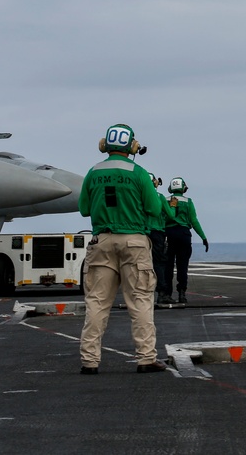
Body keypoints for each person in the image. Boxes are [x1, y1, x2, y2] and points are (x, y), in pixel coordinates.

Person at [78, 123, 167, 374]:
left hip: (101, 241)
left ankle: (89, 361)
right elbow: (154, 208)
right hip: (134, 241)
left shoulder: (93, 172)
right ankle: (146, 358)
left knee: (96, 302)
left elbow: (84, 208)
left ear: (104, 145)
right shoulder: (139, 172)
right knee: (140, 300)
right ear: (132, 146)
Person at [161, 177, 208, 305]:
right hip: (184, 235)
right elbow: (194, 221)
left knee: (167, 267)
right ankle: (182, 294)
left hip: (168, 234)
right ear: (183, 188)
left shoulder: (165, 200)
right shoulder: (188, 201)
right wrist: (203, 237)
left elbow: (161, 219)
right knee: (183, 266)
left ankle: (167, 294)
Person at [146, 173, 174, 306]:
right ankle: (162, 294)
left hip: (141, 233)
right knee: (159, 263)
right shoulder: (160, 197)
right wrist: (172, 206)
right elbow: (171, 216)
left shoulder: (139, 197)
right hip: (157, 233)